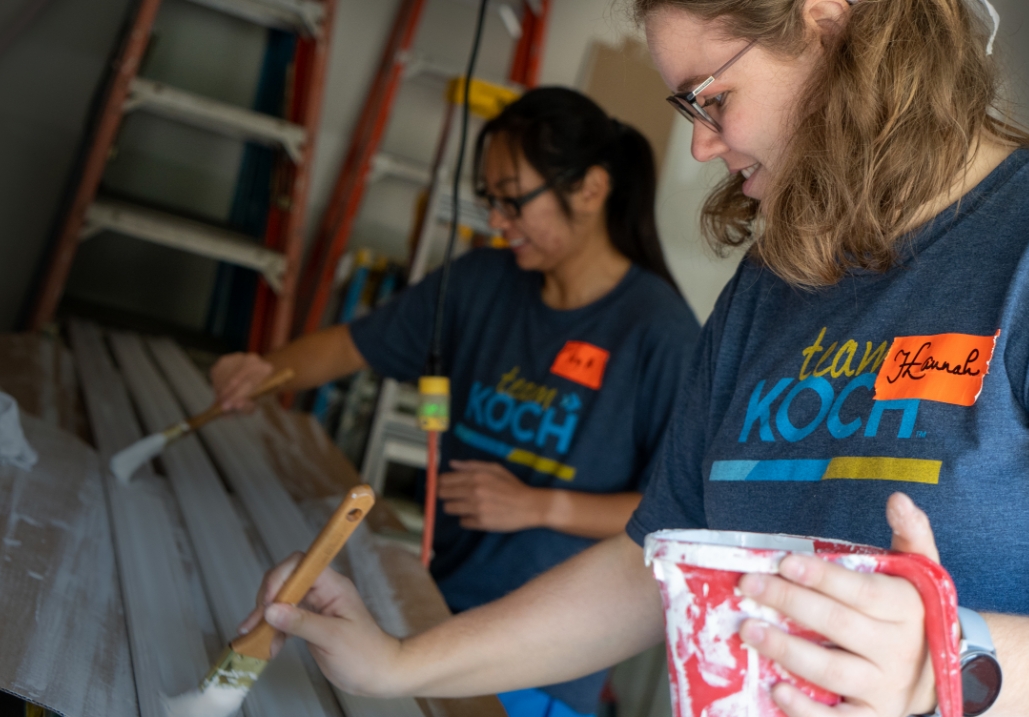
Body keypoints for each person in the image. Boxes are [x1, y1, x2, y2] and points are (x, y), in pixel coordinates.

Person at [235, 0, 1029, 715]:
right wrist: (400, 663)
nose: (700, 143)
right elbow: (655, 562)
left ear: (832, 26)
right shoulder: (780, 279)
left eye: (710, 95)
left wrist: (955, 654)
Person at [210, 87, 701, 717]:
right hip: (431, 611)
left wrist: (538, 504)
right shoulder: (480, 283)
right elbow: (352, 346)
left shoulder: (661, 336)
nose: (496, 221)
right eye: (489, 200)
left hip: (542, 662)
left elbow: (673, 519)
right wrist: (263, 372)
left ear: (590, 189)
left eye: (512, 200)